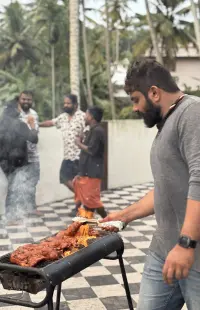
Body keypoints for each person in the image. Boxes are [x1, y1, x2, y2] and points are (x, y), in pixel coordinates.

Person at [101, 59, 200, 310]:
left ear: (154, 92)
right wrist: (123, 216)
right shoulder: (168, 122)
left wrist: (186, 244)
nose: (134, 108)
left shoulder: (192, 114)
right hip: (164, 250)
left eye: (136, 99)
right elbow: (165, 187)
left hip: (192, 255)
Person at [0, 100, 38, 223]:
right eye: (18, 108)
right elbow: (33, 139)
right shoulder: (20, 124)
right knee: (14, 187)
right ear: (15, 110)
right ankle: (11, 215)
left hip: (4, 161)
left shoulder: (1, 124)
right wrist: (32, 127)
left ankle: (8, 215)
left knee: (8, 186)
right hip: (18, 161)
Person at [39, 94, 85, 193]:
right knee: (64, 178)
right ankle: (83, 197)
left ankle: (82, 202)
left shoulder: (83, 117)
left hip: (80, 156)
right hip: (68, 156)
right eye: (65, 103)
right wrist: (37, 125)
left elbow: (89, 132)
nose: (65, 105)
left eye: (68, 103)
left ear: (75, 105)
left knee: (79, 181)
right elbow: (51, 122)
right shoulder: (63, 117)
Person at [74, 106, 107, 218]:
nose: (84, 116)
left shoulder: (97, 131)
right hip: (87, 171)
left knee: (91, 201)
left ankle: (107, 220)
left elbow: (91, 150)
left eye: (86, 114)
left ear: (91, 117)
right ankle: (106, 220)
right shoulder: (92, 130)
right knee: (91, 200)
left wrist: (78, 143)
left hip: (93, 172)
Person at [18, 91, 40, 215]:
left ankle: (32, 208)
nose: (26, 102)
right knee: (19, 182)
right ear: (19, 100)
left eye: (28, 100)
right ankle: (20, 210)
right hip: (20, 155)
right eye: (24, 99)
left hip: (34, 154)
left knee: (33, 181)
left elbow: (35, 133)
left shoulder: (34, 114)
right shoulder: (16, 115)